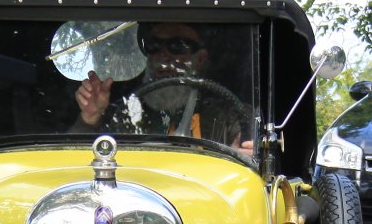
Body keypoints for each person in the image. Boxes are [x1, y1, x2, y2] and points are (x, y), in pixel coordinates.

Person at [74, 22, 255, 157]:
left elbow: (246, 146)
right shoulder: (127, 113)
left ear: (200, 59)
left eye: (178, 46)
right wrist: (89, 118)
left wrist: (241, 154)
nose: (163, 55)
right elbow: (80, 163)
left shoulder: (230, 115)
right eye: (154, 46)